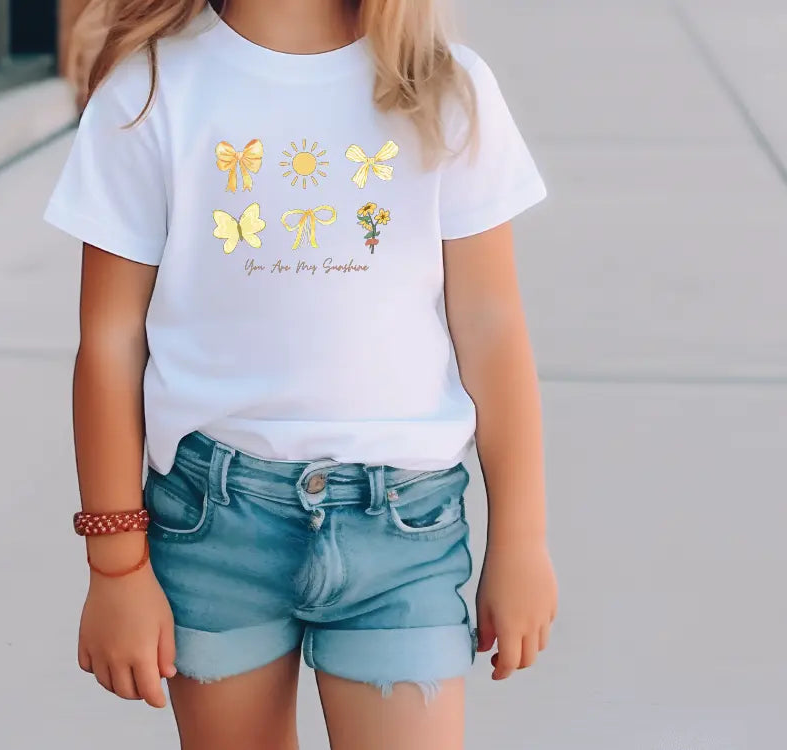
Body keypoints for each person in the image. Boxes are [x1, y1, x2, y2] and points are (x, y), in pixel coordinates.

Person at [45, 0, 557, 747]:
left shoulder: (445, 89)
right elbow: (110, 339)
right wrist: (116, 568)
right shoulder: (150, 87)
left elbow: (492, 328)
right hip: (214, 526)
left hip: (402, 532)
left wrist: (522, 541)